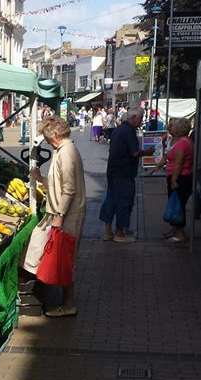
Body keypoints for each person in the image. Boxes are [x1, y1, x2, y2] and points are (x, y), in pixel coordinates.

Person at [30, 116, 86, 317]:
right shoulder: (63, 151)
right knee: (64, 258)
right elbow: (59, 184)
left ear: (54, 134)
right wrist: (41, 179)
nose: (46, 140)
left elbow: (69, 189)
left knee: (65, 259)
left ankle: (68, 304)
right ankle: (65, 301)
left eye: (46, 136)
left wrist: (60, 216)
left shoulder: (66, 153)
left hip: (69, 215)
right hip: (66, 213)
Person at [99, 107, 155, 242]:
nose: (141, 121)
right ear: (133, 118)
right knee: (124, 201)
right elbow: (134, 153)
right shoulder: (129, 131)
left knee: (111, 199)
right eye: (140, 118)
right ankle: (120, 233)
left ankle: (107, 231)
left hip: (113, 171)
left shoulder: (118, 130)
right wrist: (147, 152)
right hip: (124, 172)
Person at [150, 118, 194, 242]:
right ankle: (175, 229)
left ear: (180, 128)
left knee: (178, 205)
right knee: (175, 203)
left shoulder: (183, 143)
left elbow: (179, 164)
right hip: (175, 176)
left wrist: (174, 180)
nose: (170, 128)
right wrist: (155, 168)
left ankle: (180, 234)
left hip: (181, 178)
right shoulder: (176, 141)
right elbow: (167, 156)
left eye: (173, 126)